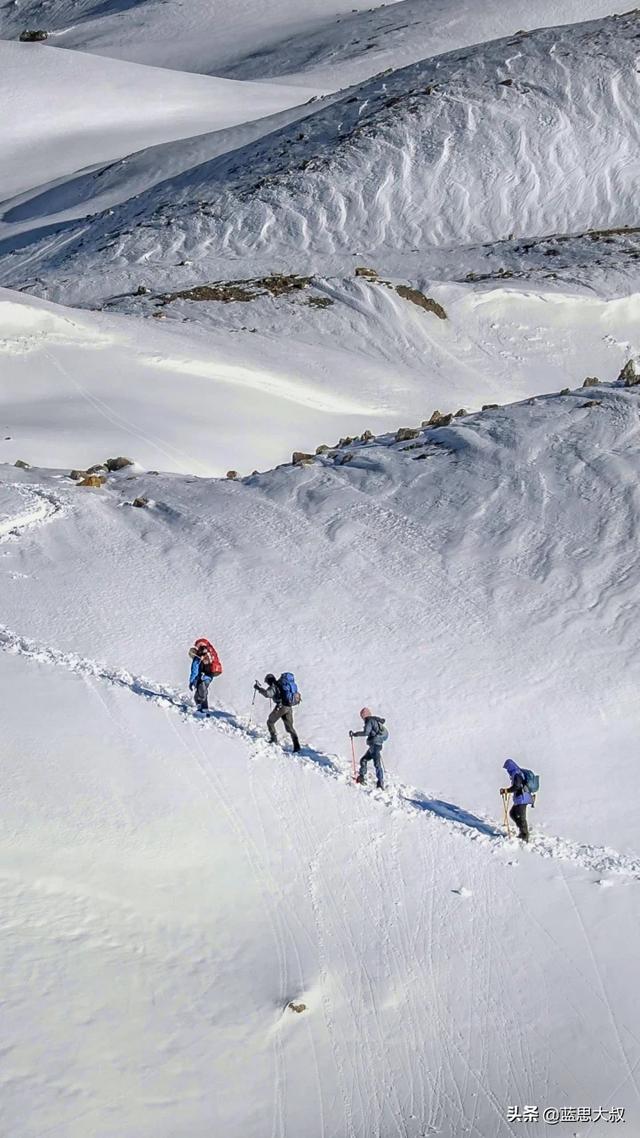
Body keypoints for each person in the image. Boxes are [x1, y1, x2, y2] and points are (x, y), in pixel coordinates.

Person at [254, 673, 301, 752]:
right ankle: (297, 746)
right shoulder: (281, 684)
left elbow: (267, 694)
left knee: (270, 722)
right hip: (288, 707)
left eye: (267, 681)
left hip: (281, 707)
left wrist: (259, 689)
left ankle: (274, 739)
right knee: (289, 727)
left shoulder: (274, 686)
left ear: (269, 681)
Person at [350, 707, 387, 790]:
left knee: (376, 763)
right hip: (377, 744)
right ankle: (362, 777)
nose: (362, 718)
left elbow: (366, 732)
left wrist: (355, 734)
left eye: (362, 716)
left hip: (375, 745)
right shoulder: (375, 720)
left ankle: (380, 783)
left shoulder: (369, 721)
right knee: (364, 760)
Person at [500, 759, 533, 842]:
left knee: (521, 817)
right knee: (512, 813)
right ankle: (522, 831)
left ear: (510, 767)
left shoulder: (516, 774)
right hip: (520, 798)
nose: (507, 770)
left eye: (507, 768)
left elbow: (517, 786)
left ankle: (525, 835)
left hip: (522, 798)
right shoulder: (517, 772)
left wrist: (506, 790)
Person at [188, 639, 220, 713]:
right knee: (201, 691)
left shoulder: (197, 658)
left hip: (201, 677)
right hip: (208, 677)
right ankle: (202, 708)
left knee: (201, 691)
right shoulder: (210, 655)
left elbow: (194, 670)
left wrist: (191, 681)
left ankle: (203, 708)